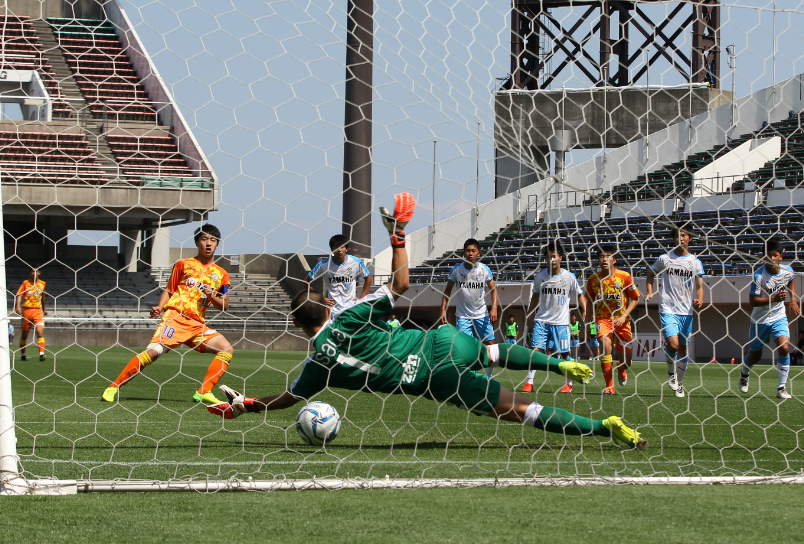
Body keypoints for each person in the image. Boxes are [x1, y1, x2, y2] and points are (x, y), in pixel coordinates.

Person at [207, 193, 646, 452]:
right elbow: (401, 283)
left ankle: (602, 428)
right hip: (441, 343)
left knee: (521, 410)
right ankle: (560, 365)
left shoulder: (315, 365)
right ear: (325, 308)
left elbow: (285, 399)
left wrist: (245, 404)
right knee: (491, 350)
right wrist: (398, 236)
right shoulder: (353, 315)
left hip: (434, 380)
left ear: (303, 328)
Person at [102, 224, 233, 405]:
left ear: (217, 244)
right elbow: (169, 290)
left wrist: (211, 295)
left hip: (197, 325)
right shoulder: (183, 264)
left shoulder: (222, 275)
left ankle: (204, 392)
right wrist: (159, 306)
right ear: (197, 242)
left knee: (226, 349)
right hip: (176, 317)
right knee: (154, 352)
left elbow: (224, 305)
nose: (208, 243)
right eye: (204, 239)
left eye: (212, 240)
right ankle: (113, 387)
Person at [644, 227, 705, 399]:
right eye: (677, 235)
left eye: (684, 235)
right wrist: (649, 291)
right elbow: (650, 276)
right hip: (668, 308)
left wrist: (700, 299)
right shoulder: (664, 259)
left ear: (690, 238)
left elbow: (700, 286)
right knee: (674, 345)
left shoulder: (695, 262)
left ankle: (680, 384)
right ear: (673, 239)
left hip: (686, 311)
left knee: (683, 349)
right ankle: (671, 374)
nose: (681, 238)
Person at [521, 241, 588, 394]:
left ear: (560, 258)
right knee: (535, 351)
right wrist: (530, 314)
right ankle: (529, 383)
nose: (551, 260)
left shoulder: (569, 277)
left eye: (554, 257)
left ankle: (568, 384)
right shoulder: (540, 276)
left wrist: (584, 309)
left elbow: (580, 294)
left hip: (561, 322)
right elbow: (535, 297)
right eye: (548, 257)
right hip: (542, 321)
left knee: (565, 353)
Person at [740, 238, 798, 400]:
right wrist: (773, 299)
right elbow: (752, 301)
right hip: (760, 320)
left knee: (785, 347)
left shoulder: (788, 271)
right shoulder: (759, 276)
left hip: (779, 316)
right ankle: (745, 371)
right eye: (768, 255)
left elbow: (791, 280)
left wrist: (793, 300)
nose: (771, 258)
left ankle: (781, 388)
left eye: (774, 255)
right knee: (755, 356)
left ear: (781, 256)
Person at [586, 244, 641, 395]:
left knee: (627, 361)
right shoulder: (593, 280)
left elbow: (636, 298)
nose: (604, 259)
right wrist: (587, 324)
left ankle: (622, 369)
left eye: (608, 256)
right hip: (603, 320)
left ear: (614, 260)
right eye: (601, 256)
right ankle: (609, 386)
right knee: (604, 344)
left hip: (622, 321)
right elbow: (589, 301)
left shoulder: (624, 276)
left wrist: (623, 316)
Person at [440, 238, 499, 377]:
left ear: (478, 253)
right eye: (467, 251)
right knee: (464, 348)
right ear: (463, 253)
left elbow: (493, 289)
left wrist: (494, 307)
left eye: (473, 251)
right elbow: (447, 291)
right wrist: (443, 310)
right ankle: (468, 376)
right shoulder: (457, 270)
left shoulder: (484, 270)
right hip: (463, 316)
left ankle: (488, 377)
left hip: (482, 314)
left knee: (491, 344)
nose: (470, 253)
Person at [308, 234, 373, 318]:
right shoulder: (323, 265)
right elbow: (306, 282)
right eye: (336, 247)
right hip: (332, 309)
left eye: (342, 247)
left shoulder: (355, 262)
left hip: (350, 307)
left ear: (346, 249)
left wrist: (362, 299)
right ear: (332, 249)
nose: (339, 250)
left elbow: (368, 278)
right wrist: (320, 299)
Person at [15, 268, 48, 362]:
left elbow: (43, 297)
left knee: (40, 333)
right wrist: (18, 307)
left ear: (39, 273)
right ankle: (23, 354)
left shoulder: (43, 284)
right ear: (30, 273)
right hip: (27, 311)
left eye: (36, 271)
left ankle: (42, 354)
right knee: (25, 335)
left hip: (38, 311)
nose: (34, 273)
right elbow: (19, 295)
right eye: (32, 271)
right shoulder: (25, 283)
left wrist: (44, 309)